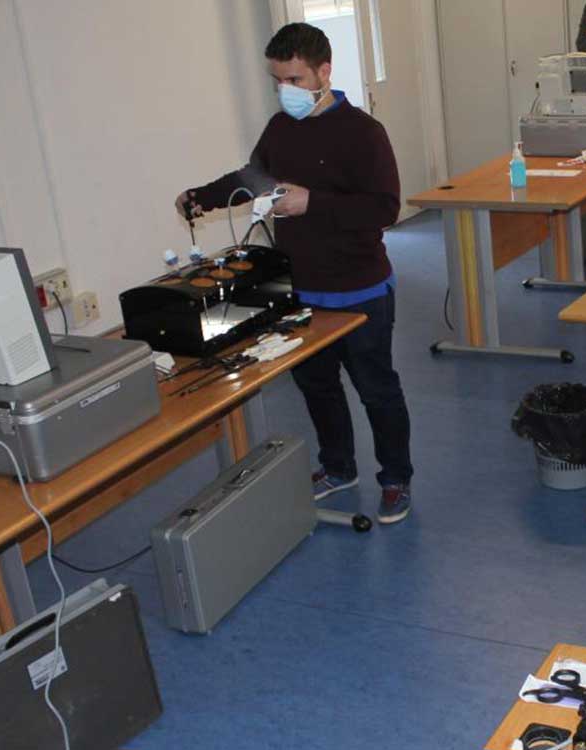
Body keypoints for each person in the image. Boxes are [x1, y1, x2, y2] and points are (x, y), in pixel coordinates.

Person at [176, 23, 414, 524]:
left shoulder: (364, 133)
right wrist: (199, 197)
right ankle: (338, 467)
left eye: (295, 78)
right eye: (277, 79)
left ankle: (395, 478)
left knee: (376, 388)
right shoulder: (281, 129)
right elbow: (251, 178)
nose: (286, 89)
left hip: (360, 288)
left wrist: (313, 203)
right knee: (317, 385)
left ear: (324, 72)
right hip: (302, 290)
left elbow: (384, 208)